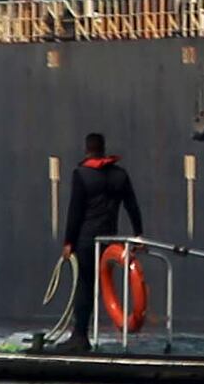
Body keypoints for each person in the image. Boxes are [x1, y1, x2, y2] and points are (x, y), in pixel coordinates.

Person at [56, 130, 145, 349]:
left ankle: (80, 336)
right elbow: (132, 206)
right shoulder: (120, 175)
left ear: (87, 149)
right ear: (103, 148)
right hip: (109, 240)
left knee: (84, 286)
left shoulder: (81, 174)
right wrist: (138, 234)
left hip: (86, 239)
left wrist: (69, 241)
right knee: (100, 284)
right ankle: (97, 333)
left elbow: (75, 210)